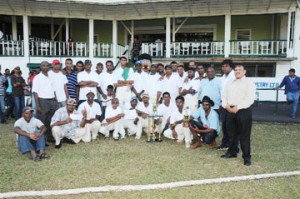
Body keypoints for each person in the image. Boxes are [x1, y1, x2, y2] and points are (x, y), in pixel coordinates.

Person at [221, 64, 256, 166]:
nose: (237, 71)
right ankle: (232, 152)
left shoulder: (249, 83)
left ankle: (246, 157)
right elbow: (224, 96)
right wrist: (226, 106)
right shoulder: (229, 82)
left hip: (243, 111)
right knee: (231, 133)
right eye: (236, 70)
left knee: (244, 135)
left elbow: (249, 99)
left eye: (240, 70)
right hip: (229, 109)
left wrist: (238, 107)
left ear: (244, 72)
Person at [32, 61, 59, 142]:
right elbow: (35, 92)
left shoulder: (51, 76)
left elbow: (54, 90)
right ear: (41, 67)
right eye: (43, 66)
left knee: (50, 120)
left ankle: (49, 136)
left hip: (52, 100)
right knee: (41, 120)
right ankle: (41, 138)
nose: (45, 67)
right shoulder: (37, 77)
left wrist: (56, 100)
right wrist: (38, 106)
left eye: (47, 66)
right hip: (42, 100)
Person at [217, 59, 235, 150]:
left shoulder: (234, 76)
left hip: (232, 104)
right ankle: (225, 144)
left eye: (226, 66)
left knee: (231, 126)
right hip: (224, 105)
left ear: (231, 67)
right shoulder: (223, 77)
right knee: (224, 125)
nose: (224, 68)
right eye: (223, 66)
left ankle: (232, 146)